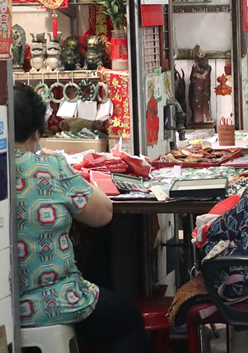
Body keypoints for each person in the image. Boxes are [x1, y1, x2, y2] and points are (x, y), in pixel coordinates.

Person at [12, 84, 150, 352]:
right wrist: (63, 168)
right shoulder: (49, 167)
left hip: (7, 306)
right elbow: (102, 214)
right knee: (125, 319)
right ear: (37, 131)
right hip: (53, 301)